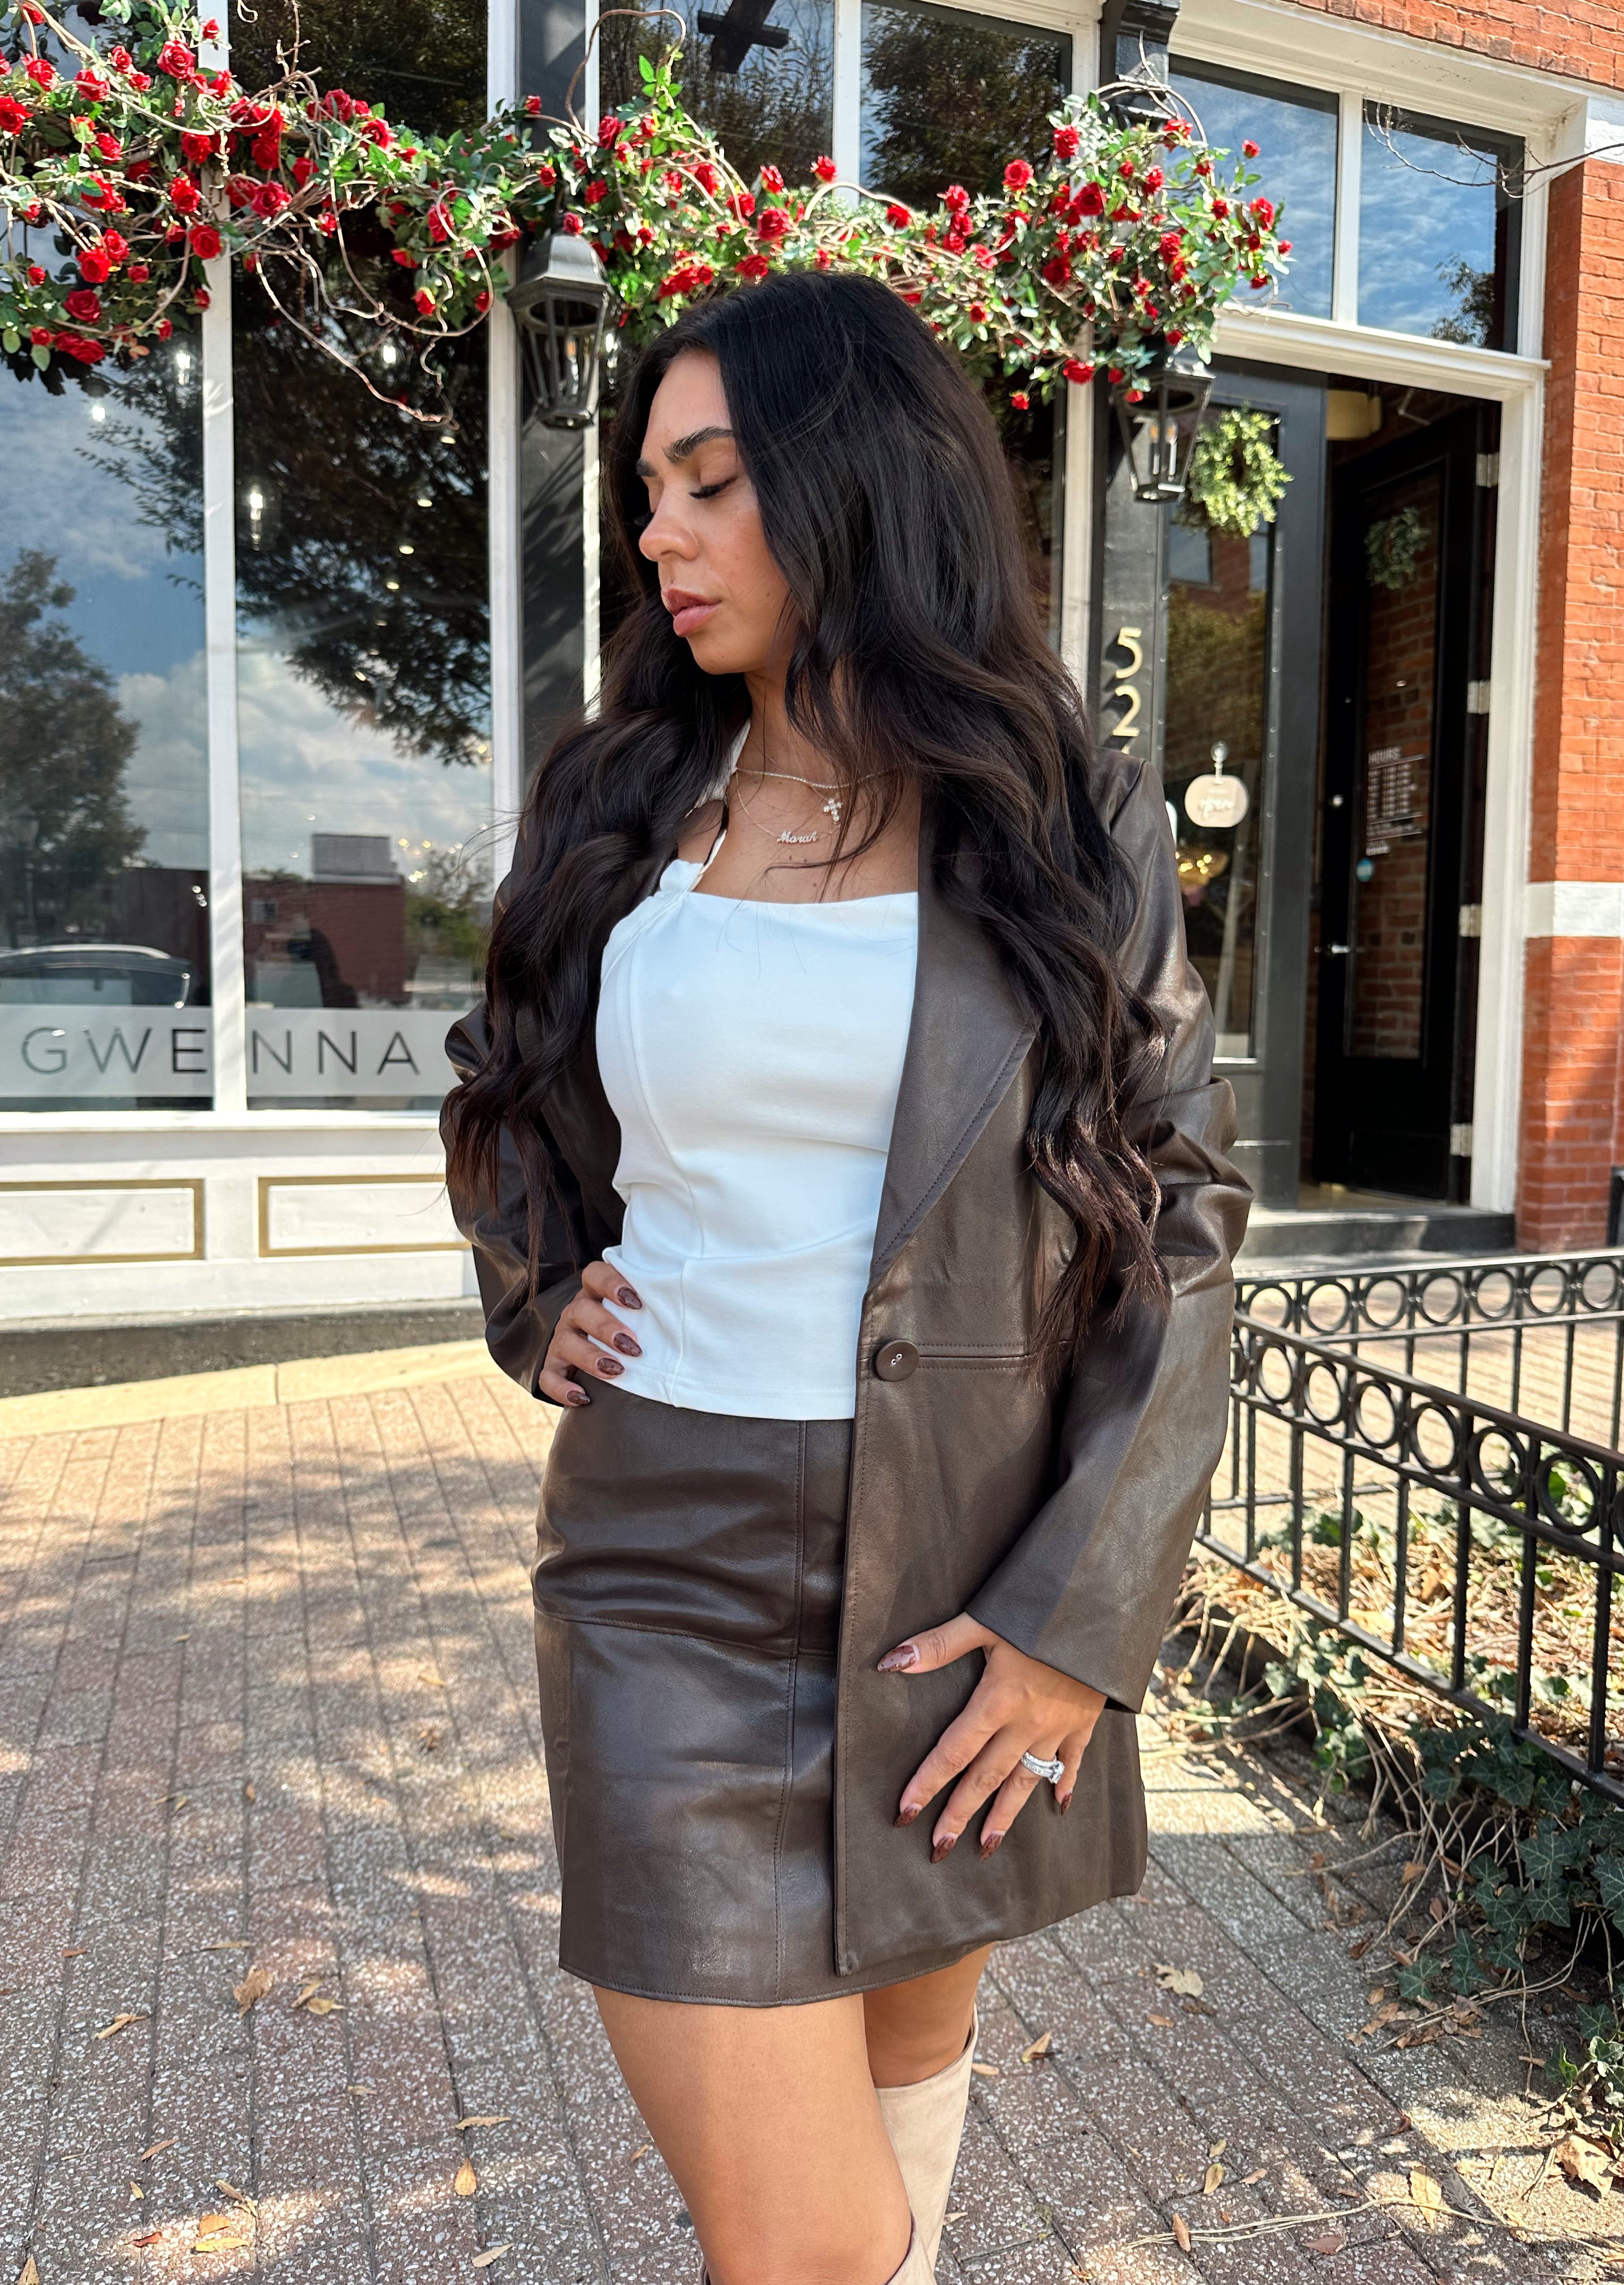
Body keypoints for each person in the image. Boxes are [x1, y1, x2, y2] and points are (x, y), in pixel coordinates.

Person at [444, 269, 1249, 2285]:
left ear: (858, 490)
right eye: (649, 492)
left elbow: (1181, 1220)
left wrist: (1076, 1627)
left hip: (960, 1588)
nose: (661, 536)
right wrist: (540, 1289)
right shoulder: (624, 801)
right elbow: (506, 1079)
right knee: (803, 2244)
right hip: (666, 1566)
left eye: (712, 484)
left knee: (910, 2094)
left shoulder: (1071, 819)